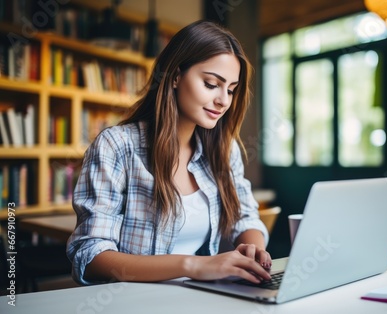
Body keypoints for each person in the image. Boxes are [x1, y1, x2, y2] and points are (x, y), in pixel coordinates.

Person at [66, 20, 272, 285]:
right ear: (175, 76)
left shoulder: (224, 149)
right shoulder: (117, 146)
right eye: (211, 84)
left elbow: (245, 218)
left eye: (231, 89)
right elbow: (91, 256)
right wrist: (193, 265)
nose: (224, 100)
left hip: (201, 298)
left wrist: (253, 249)